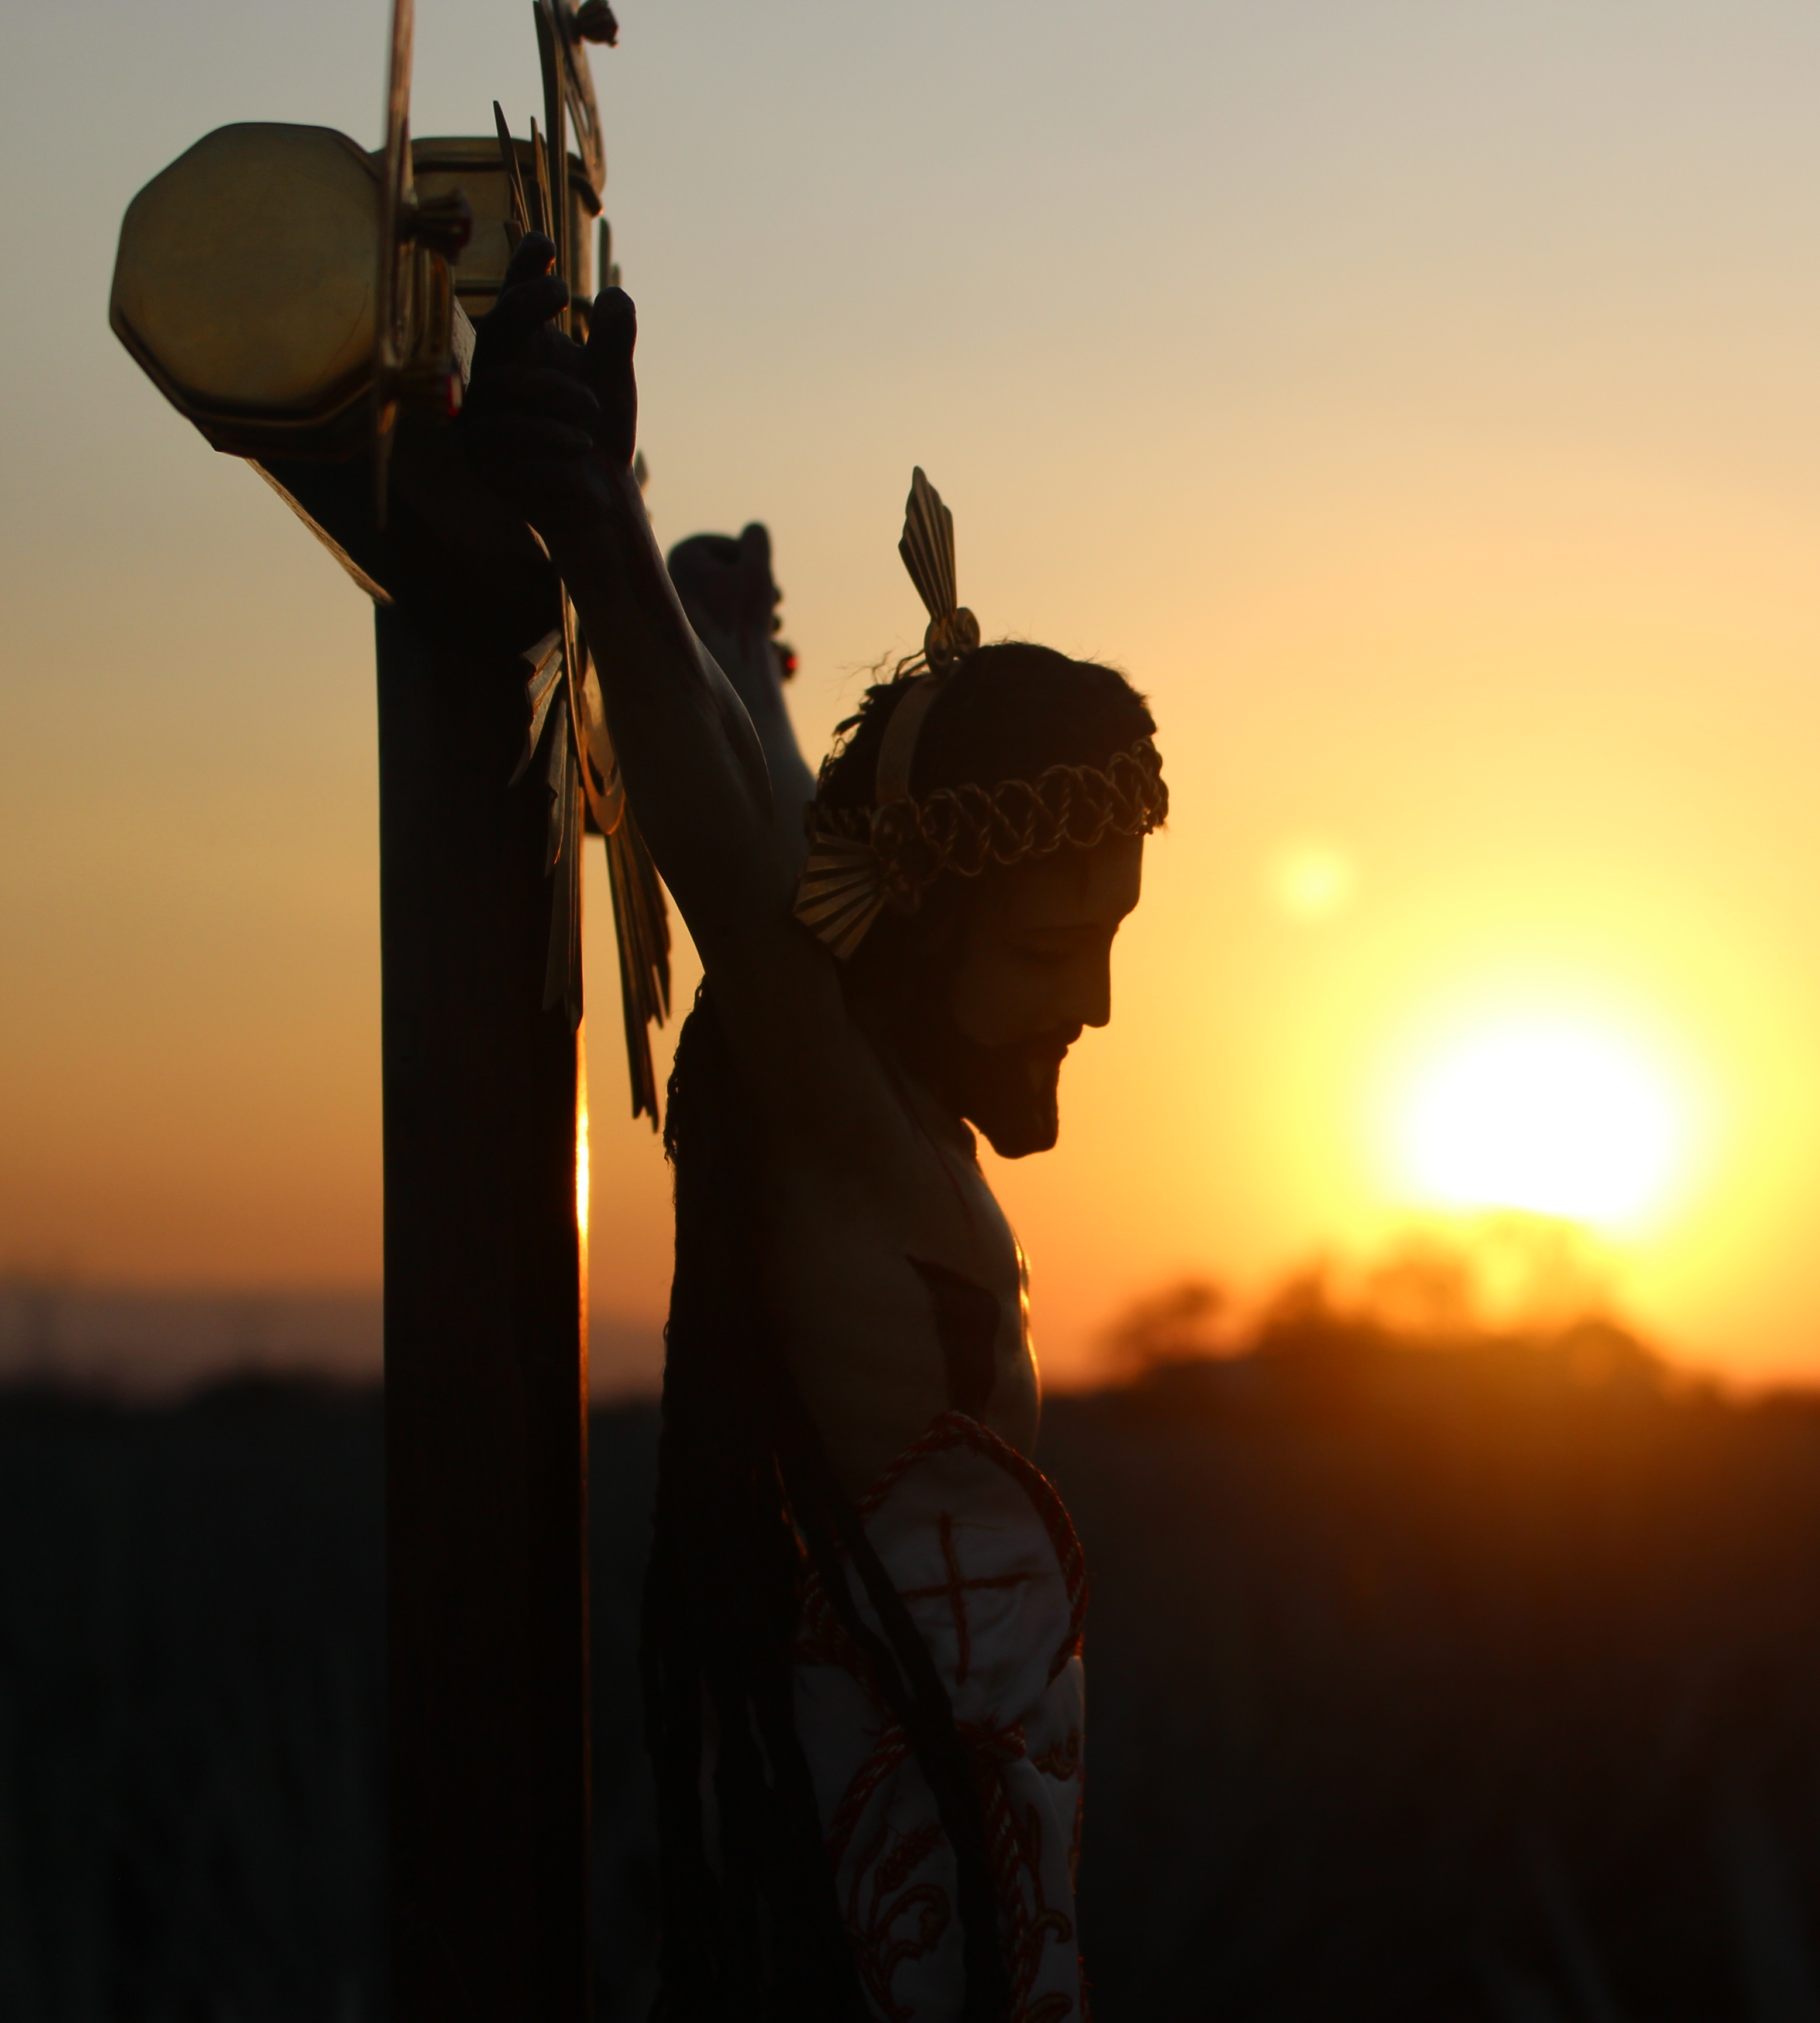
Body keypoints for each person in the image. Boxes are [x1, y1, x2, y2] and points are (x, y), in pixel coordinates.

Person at [471, 231, 1164, 2023]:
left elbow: (784, 838)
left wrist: (720, 639)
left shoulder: (899, 1116)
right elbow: (739, 863)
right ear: (925, 924)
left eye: (1110, 942)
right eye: (1052, 947)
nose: (1094, 1002)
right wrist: (604, 537)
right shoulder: (847, 1116)